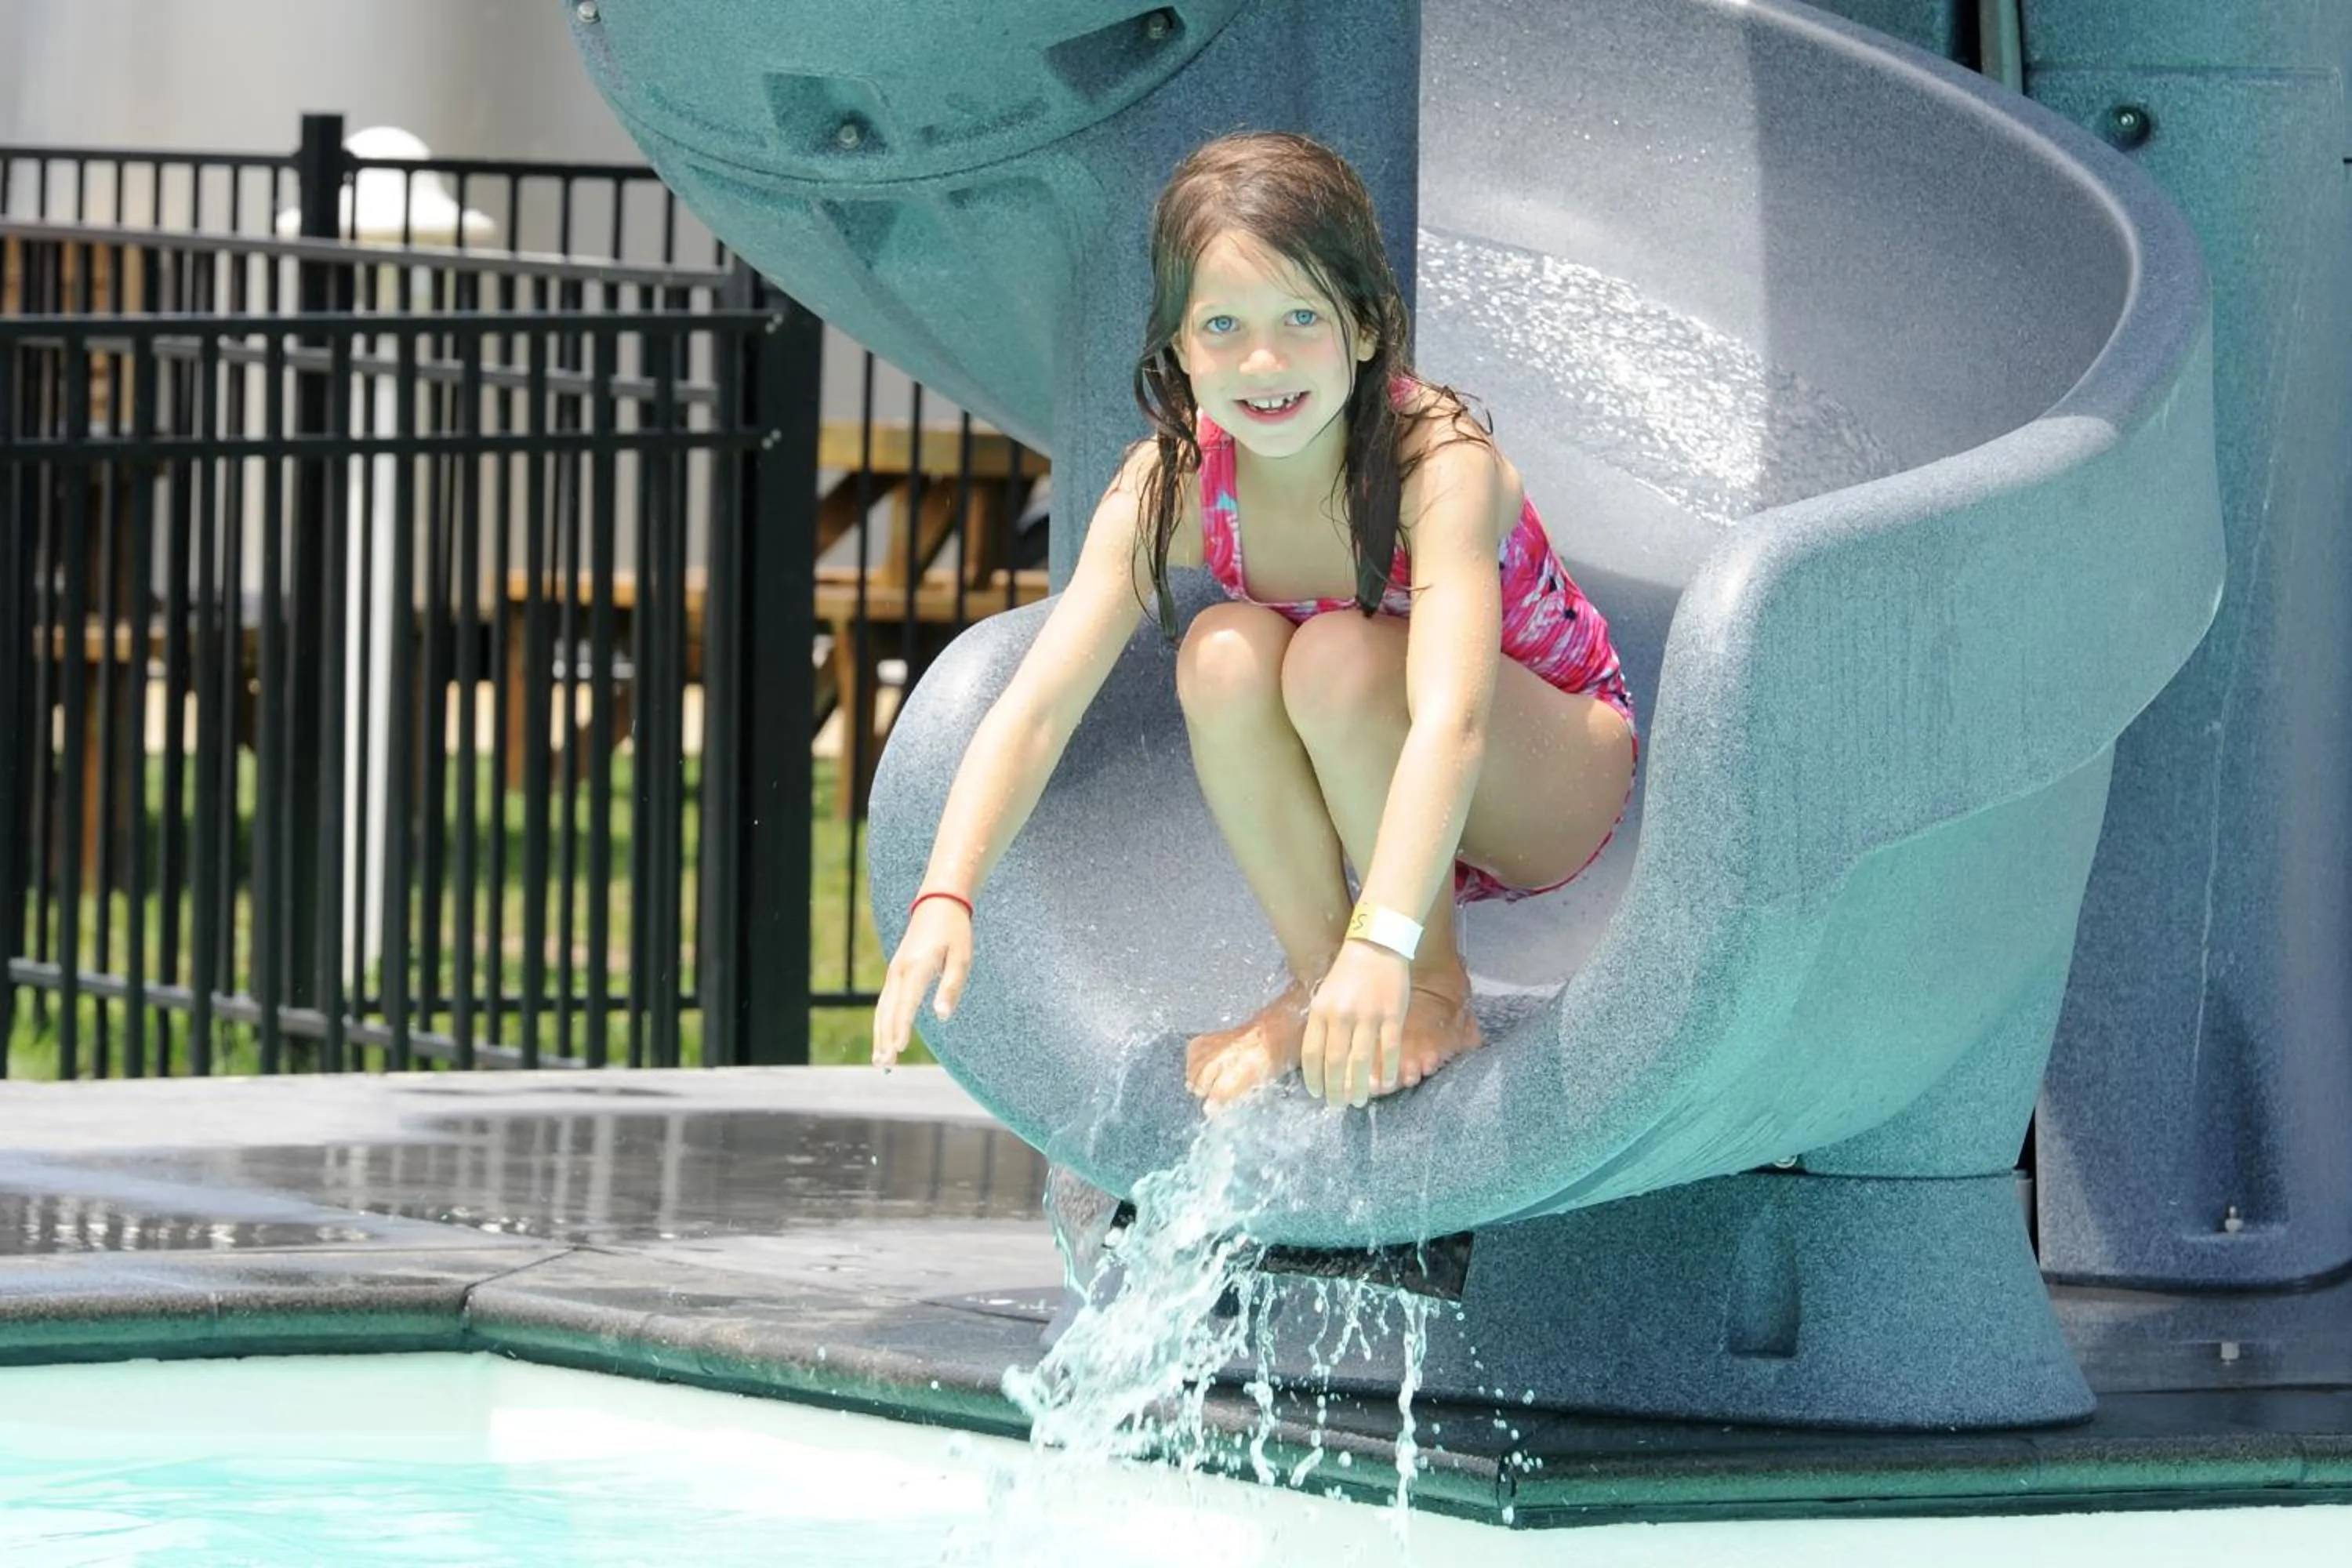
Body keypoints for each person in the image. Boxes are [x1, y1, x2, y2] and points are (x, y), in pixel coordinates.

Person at [870, 130, 1637, 1109]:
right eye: (1222, 324)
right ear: (1179, 350)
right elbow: (1039, 706)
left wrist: (1389, 941)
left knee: (1335, 658)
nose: (1262, 359)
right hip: (1388, 789)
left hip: (1547, 778)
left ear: (1364, 329)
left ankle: (1436, 988)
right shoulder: (1177, 482)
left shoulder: (1435, 463)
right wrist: (948, 890)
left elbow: (1456, 721)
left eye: (1301, 316)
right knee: (1221, 652)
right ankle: (1317, 979)